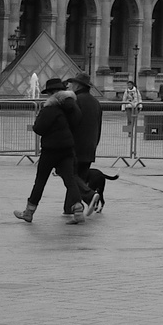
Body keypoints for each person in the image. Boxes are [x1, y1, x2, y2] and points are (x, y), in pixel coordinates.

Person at [13, 77, 93, 224]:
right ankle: (78, 210)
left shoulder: (50, 108)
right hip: (67, 148)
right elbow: (76, 122)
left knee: (40, 181)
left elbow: (38, 128)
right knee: (70, 180)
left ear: (52, 92)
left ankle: (29, 212)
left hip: (50, 149)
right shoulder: (71, 106)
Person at [64, 72, 104, 217]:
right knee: (78, 176)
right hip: (90, 146)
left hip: (75, 146)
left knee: (70, 176)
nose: (69, 86)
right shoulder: (96, 102)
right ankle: (69, 207)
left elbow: (71, 124)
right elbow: (99, 127)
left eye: (72, 83)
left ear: (78, 85)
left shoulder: (75, 100)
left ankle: (89, 195)